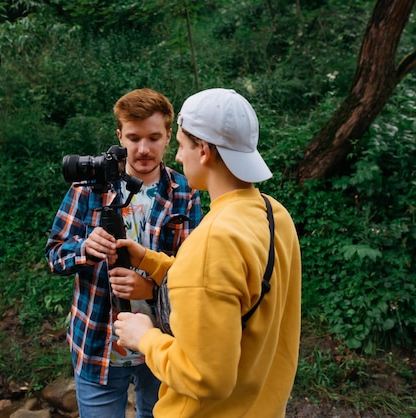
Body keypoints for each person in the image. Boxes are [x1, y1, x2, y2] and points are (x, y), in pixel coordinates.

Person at [111, 88, 302, 417]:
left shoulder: (211, 241)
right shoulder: (274, 215)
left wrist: (145, 337)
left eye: (183, 146)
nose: (179, 157)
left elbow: (206, 378)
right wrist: (149, 260)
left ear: (204, 151)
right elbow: (223, 286)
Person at [45, 88, 203, 418]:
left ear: (168, 136)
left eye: (153, 137)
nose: (143, 149)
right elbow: (55, 255)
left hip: (164, 342)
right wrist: (85, 248)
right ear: (119, 135)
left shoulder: (186, 192)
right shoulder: (89, 186)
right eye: (133, 137)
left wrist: (152, 289)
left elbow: (195, 274)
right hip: (98, 343)